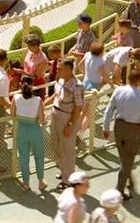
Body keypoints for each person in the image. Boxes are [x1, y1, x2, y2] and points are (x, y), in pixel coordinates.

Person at [102, 67, 140, 198]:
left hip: (118, 127)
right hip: (133, 130)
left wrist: (105, 126)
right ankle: (119, 190)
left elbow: (109, 109)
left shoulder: (118, 91)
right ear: (139, 81)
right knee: (127, 160)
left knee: (124, 158)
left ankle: (129, 179)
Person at [47, 57, 82, 188]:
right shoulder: (60, 80)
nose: (57, 70)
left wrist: (71, 124)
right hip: (56, 114)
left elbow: (79, 107)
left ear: (68, 70)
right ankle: (64, 172)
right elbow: (55, 96)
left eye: (60, 69)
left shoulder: (77, 85)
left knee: (68, 149)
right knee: (57, 145)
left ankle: (69, 180)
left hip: (67, 118)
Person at [11, 74, 47, 193]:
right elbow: (42, 119)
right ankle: (41, 181)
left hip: (21, 129)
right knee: (39, 156)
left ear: (21, 84)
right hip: (34, 129)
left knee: (23, 157)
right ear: (33, 85)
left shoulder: (15, 98)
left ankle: (26, 183)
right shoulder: (38, 100)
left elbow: (13, 115)